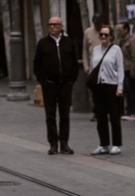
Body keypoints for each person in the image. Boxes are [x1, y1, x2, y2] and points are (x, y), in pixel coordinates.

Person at [33, 17, 78, 155]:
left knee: (65, 115)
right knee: (50, 115)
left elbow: (74, 62)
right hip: (49, 85)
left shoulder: (69, 42)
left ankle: (64, 143)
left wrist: (71, 80)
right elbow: (37, 64)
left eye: (55, 24)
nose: (52, 27)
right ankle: (53, 143)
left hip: (65, 84)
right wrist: (43, 81)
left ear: (61, 26)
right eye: (50, 25)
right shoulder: (43, 43)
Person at [88, 24, 125, 155]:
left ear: (111, 36)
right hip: (98, 86)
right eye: (101, 35)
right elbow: (93, 69)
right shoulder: (96, 50)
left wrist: (120, 87)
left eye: (106, 35)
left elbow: (120, 69)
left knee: (114, 116)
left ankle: (116, 144)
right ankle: (103, 144)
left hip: (112, 85)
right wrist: (92, 86)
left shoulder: (116, 50)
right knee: (100, 117)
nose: (103, 37)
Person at [117, 22, 135, 120]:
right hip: (124, 69)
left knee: (132, 91)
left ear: (126, 30)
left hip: (129, 69)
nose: (119, 32)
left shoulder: (131, 42)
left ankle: (133, 112)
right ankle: (129, 111)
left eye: (120, 30)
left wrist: (133, 71)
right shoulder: (122, 41)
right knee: (127, 91)